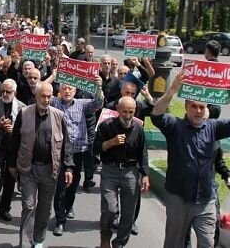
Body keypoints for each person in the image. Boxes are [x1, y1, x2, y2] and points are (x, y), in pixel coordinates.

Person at [150, 71, 230, 248]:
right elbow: (156, 116)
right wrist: (172, 90)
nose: (198, 111)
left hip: (205, 200)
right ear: (186, 107)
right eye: (194, 106)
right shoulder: (174, 126)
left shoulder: (213, 127)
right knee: (174, 243)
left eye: (202, 107)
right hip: (178, 198)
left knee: (207, 243)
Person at [8, 81, 74, 248]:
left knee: (44, 208)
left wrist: (68, 167)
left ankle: (38, 240)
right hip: (28, 168)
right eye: (42, 96)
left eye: (49, 96)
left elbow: (66, 144)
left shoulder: (59, 115)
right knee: (29, 206)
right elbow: (14, 140)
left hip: (50, 170)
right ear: (36, 96)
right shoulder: (24, 114)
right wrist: (11, 164)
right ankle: (25, 243)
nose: (46, 99)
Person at [51, 79, 104, 236]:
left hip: (78, 152)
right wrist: (52, 75)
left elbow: (99, 103)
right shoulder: (54, 102)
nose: (67, 91)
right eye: (64, 88)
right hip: (60, 152)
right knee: (60, 186)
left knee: (72, 186)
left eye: (70, 89)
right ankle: (60, 221)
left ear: (75, 91)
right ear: (60, 90)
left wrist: (98, 87)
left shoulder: (82, 104)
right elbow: (39, 91)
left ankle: (68, 207)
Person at [95, 96, 149, 248]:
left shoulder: (138, 128)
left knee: (128, 213)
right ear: (118, 110)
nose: (127, 115)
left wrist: (145, 175)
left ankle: (119, 243)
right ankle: (105, 237)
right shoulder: (106, 126)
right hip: (110, 170)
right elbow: (96, 148)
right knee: (109, 209)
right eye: (124, 111)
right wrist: (111, 142)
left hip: (130, 172)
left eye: (131, 112)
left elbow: (142, 153)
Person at [0, 78, 25, 227]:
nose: (5, 94)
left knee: (10, 179)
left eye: (8, 92)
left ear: (14, 92)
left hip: (13, 149)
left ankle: (4, 209)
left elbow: (26, 130)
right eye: (3, 91)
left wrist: (14, 129)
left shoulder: (22, 107)